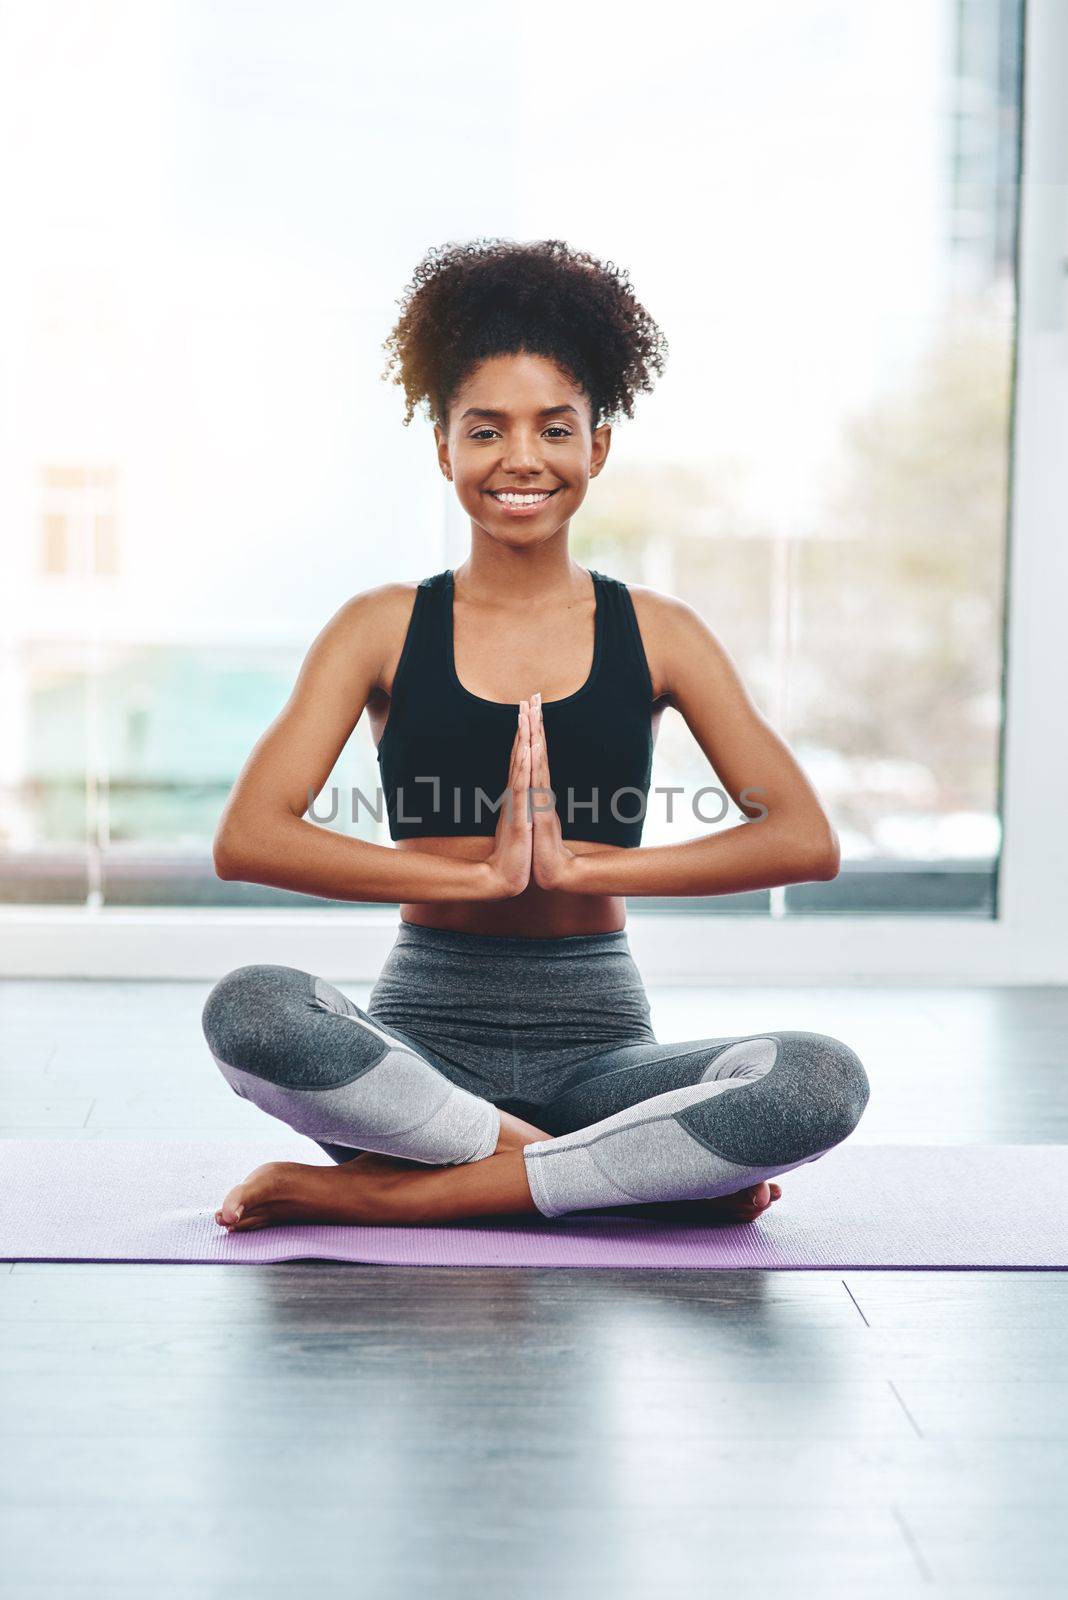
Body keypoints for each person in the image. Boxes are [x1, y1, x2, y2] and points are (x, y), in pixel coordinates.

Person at [202, 238, 869, 1234]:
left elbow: (802, 840)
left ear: (597, 446)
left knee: (820, 1080)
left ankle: (381, 1196)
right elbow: (250, 834)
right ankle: (610, 1175)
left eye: (554, 429)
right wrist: (471, 879)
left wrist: (583, 865)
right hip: (419, 1060)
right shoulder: (379, 625)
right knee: (250, 1010)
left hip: (603, 1047)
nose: (522, 458)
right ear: (444, 449)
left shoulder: (660, 631)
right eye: (486, 431)